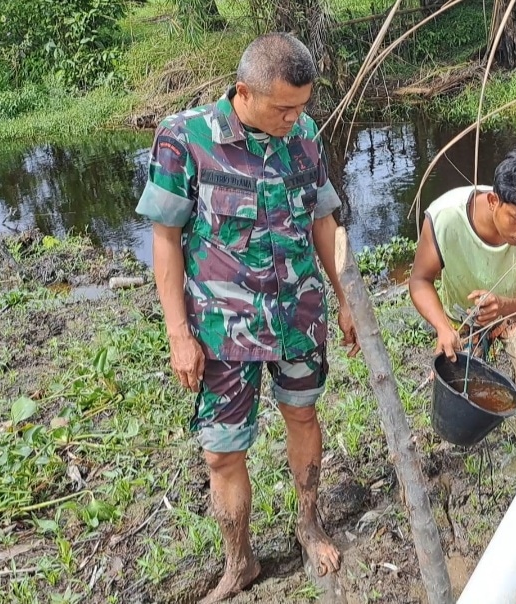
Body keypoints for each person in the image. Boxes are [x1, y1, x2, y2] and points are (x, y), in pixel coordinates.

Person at [135, 34, 358, 603]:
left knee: (303, 418)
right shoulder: (186, 137)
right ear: (244, 92)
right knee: (222, 451)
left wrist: (346, 298)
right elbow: (165, 241)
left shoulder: (304, 136)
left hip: (299, 318)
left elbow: (324, 221)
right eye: (283, 107)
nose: (295, 118)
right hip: (223, 329)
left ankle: (309, 525)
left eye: (302, 106)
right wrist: (178, 334)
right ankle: (240, 563)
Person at [409, 149, 516, 414]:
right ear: (493, 200)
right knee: (456, 384)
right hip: (464, 318)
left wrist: (503, 305)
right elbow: (419, 280)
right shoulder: (446, 217)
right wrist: (442, 327)